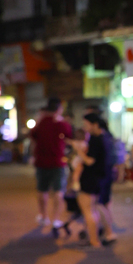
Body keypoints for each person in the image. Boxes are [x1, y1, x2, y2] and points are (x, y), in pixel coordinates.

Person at [29, 97, 73, 232]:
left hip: (41, 161)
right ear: (59, 109)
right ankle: (56, 219)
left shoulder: (41, 122)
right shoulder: (61, 123)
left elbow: (32, 136)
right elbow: (69, 135)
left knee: (42, 190)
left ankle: (43, 216)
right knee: (58, 191)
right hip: (57, 161)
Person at [73, 111, 108, 250]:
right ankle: (94, 238)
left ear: (95, 125)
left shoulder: (95, 139)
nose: (84, 127)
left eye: (86, 124)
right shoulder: (103, 137)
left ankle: (94, 240)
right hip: (98, 178)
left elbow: (89, 161)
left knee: (88, 211)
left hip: (90, 179)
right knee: (92, 210)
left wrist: (79, 151)